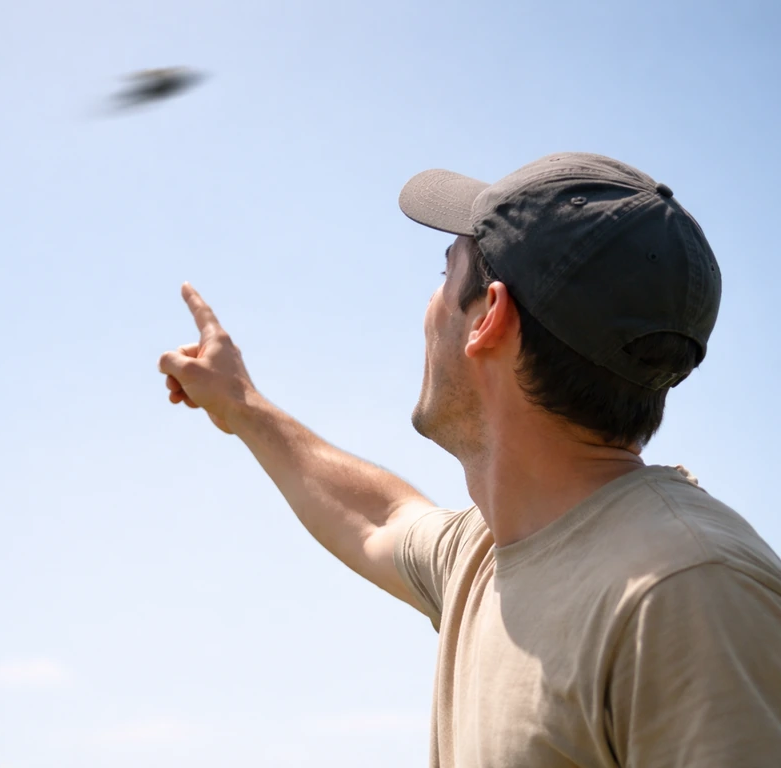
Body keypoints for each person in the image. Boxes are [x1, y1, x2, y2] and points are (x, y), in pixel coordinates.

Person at [157, 152, 781, 767]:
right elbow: (379, 519)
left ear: (488, 318)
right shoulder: (490, 551)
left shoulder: (687, 595)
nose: (429, 306)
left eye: (445, 268)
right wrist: (240, 405)